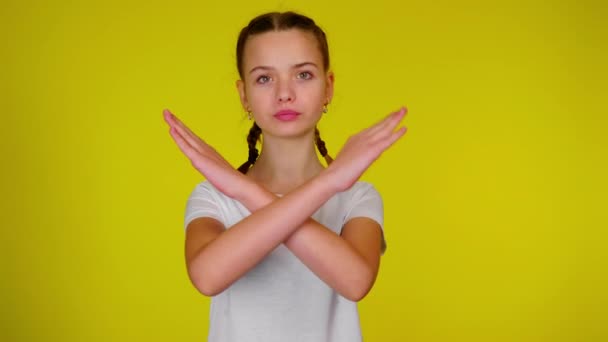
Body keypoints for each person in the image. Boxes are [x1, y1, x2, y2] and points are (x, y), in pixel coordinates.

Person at [163, 11, 407, 342]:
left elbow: (355, 281)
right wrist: (327, 182)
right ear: (243, 94)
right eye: (264, 78)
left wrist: (245, 190)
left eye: (303, 75)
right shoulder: (214, 197)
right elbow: (207, 277)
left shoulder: (356, 196)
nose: (284, 93)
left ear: (328, 87)